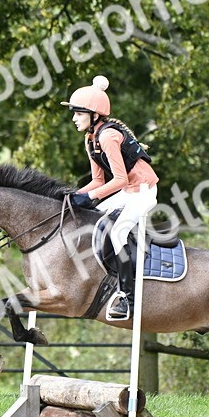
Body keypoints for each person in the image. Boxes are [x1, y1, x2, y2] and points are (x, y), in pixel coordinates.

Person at [62, 75, 159, 320]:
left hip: (144, 191)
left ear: (93, 114)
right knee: (94, 219)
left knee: (117, 233)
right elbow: (98, 181)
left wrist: (90, 197)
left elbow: (120, 180)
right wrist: (73, 196)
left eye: (78, 113)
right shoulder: (90, 139)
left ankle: (128, 297)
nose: (74, 118)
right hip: (128, 192)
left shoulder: (107, 136)